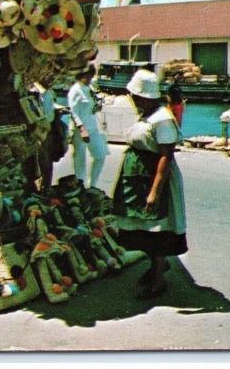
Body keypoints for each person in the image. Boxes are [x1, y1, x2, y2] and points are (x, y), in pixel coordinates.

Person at [112, 69, 186, 300]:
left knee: (156, 230)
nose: (133, 100)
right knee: (143, 228)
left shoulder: (162, 119)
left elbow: (166, 156)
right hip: (139, 178)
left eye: (135, 96)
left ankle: (158, 281)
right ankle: (157, 267)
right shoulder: (149, 115)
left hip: (154, 178)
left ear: (144, 96)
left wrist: (155, 191)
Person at [68, 65, 108, 188]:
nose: (90, 79)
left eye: (91, 76)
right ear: (81, 76)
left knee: (100, 155)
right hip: (81, 130)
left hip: (93, 127)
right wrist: (82, 129)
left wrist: (97, 105)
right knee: (80, 160)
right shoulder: (75, 90)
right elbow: (73, 112)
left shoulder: (88, 88)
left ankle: (92, 185)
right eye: (88, 76)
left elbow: (91, 106)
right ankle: (81, 187)